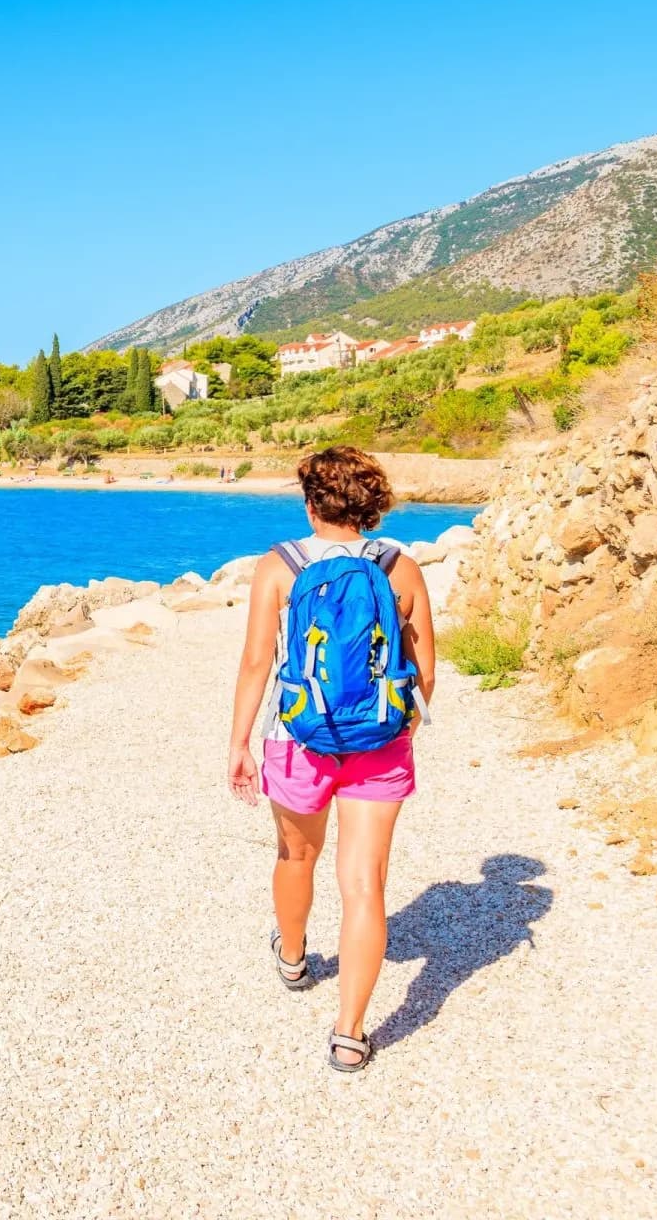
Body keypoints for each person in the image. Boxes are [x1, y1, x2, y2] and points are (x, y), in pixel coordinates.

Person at [226, 446, 436, 1073]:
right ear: (371, 504)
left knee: (296, 854)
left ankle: (293, 958)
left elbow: (258, 662)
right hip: (379, 745)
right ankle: (349, 1034)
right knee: (364, 884)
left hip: (300, 740)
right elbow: (423, 672)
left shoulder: (280, 566)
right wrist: (400, 735)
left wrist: (239, 744)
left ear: (311, 500)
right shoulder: (402, 569)